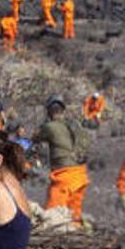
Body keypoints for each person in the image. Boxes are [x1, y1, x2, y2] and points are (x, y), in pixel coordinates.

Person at [32, 96, 91, 225]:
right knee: (74, 213)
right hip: (81, 174)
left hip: (64, 176)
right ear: (63, 111)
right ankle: (76, 235)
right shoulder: (73, 125)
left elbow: (35, 139)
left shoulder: (49, 127)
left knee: (53, 214)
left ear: (49, 112)